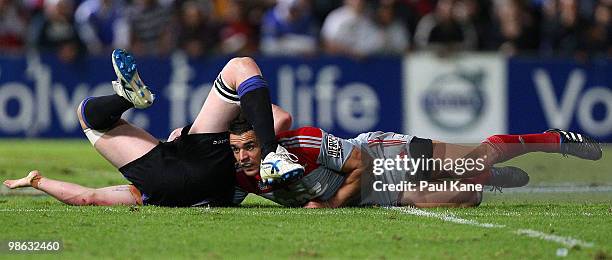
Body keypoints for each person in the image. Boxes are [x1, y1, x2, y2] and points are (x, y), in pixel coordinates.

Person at [3, 49, 303, 206]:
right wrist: (259, 141)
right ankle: (272, 155)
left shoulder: (144, 193)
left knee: (86, 113)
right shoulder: (231, 156)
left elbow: (88, 197)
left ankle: (124, 97)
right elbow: (283, 118)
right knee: (241, 67)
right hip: (213, 173)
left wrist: (38, 181)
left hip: (165, 181)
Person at [227, 115, 602, 208]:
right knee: (467, 197)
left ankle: (554, 140)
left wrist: (329, 204)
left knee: (473, 159)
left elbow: (364, 167)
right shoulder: (240, 177)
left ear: (267, 143)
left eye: (250, 147)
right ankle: (484, 176)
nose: (243, 157)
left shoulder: (303, 143)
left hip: (385, 157)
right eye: (236, 150)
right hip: (377, 196)